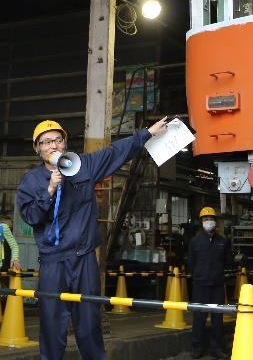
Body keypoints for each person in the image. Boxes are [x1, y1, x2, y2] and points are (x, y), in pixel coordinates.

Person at [16, 117, 168, 360]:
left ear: (64, 143)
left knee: (88, 325)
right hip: (53, 263)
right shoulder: (31, 181)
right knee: (53, 327)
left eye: (57, 140)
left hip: (84, 258)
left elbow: (115, 152)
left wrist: (146, 134)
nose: (53, 145)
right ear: (37, 148)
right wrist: (50, 190)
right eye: (46, 142)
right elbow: (31, 217)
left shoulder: (83, 166)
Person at [187, 206, 230, 359]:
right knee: (199, 317)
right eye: (206, 219)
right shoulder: (195, 242)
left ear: (215, 221)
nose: (209, 221)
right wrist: (199, 275)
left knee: (217, 319)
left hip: (217, 285)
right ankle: (197, 347)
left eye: (211, 219)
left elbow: (227, 261)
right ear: (201, 222)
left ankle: (216, 348)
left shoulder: (223, 241)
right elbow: (191, 263)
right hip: (200, 285)